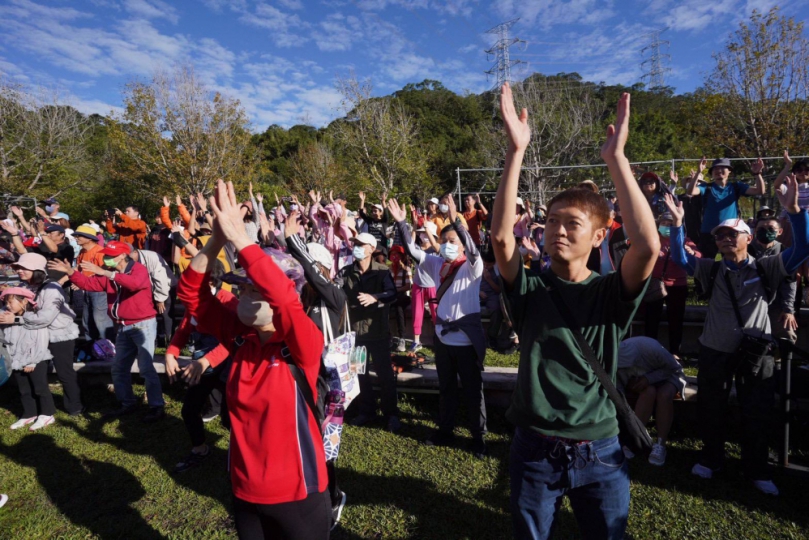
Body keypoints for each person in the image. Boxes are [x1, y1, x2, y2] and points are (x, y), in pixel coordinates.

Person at [492, 84, 658, 539]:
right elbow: (502, 240)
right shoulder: (529, 288)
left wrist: (616, 159)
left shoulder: (610, 293)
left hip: (601, 450)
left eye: (572, 224)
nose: (557, 231)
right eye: (551, 221)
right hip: (534, 449)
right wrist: (515, 151)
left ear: (599, 236)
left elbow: (647, 246)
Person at [177, 180, 331, 540]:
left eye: (253, 289)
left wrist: (241, 239)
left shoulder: (301, 343)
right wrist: (216, 239)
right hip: (244, 488)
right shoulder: (239, 336)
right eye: (242, 288)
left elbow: (283, 297)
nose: (244, 296)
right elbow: (190, 293)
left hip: (298, 490)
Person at [664, 171, 809, 497]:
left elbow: (803, 249)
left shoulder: (767, 266)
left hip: (756, 352)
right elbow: (679, 257)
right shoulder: (711, 268)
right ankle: (711, 459)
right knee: (711, 407)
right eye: (720, 236)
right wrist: (677, 225)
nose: (725, 239)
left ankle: (757, 469)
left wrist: (796, 213)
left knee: (757, 410)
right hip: (715, 350)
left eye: (733, 234)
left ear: (748, 237)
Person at [390, 194, 488, 458]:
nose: (447, 245)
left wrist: (456, 220)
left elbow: (473, 247)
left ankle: (478, 437)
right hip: (443, 339)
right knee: (446, 388)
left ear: (463, 244)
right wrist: (401, 224)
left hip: (466, 341)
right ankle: (445, 430)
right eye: (444, 241)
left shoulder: (473, 266)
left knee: (473, 391)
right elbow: (413, 251)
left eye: (452, 241)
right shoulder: (436, 264)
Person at [50, 240, 165, 423]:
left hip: (142, 325)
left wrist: (107, 273)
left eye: (111, 255)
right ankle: (127, 403)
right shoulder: (110, 273)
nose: (106, 258)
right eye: (106, 255)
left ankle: (156, 406)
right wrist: (71, 272)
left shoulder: (138, 270)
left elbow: (135, 284)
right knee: (119, 368)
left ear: (123, 256)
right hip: (123, 326)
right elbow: (89, 283)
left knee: (146, 368)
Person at [284, 211, 349, 529]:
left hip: (331, 381)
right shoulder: (303, 300)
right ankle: (308, 487)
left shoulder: (334, 295)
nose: (302, 276)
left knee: (326, 444)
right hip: (304, 376)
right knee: (304, 435)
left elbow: (310, 268)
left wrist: (292, 240)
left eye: (307, 271)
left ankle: (333, 497)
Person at [166, 260, 235, 474]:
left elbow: (232, 340)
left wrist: (206, 361)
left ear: (211, 282)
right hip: (203, 363)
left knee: (231, 418)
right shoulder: (194, 302)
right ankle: (200, 449)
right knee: (189, 410)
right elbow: (183, 329)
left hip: (227, 364)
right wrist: (170, 353)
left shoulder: (228, 301)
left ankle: (241, 457)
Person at [1, 253, 83, 416]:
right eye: (18, 268)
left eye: (24, 268)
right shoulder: (24, 287)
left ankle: (75, 406)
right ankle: (39, 410)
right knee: (34, 374)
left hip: (58, 335)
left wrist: (16, 319)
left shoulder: (53, 288)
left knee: (64, 373)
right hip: (35, 335)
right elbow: (12, 307)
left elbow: (45, 318)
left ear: (36, 270)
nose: (19, 271)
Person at [337, 232, 400, 432]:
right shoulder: (346, 272)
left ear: (372, 249)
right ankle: (366, 411)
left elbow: (392, 294)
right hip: (356, 334)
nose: (356, 248)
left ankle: (391, 413)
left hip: (378, 332)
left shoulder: (382, 271)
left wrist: (376, 297)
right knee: (359, 373)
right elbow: (335, 291)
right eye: (355, 244)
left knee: (385, 375)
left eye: (361, 245)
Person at [617, 337, 686, 466]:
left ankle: (661, 444)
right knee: (649, 392)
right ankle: (636, 438)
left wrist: (648, 378)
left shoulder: (649, 347)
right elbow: (618, 387)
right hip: (643, 379)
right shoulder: (617, 359)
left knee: (664, 395)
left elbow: (673, 367)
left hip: (670, 374)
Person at [643, 212, 699, 357]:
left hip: (677, 285)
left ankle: (675, 351)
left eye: (671, 224)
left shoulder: (684, 240)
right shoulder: (653, 239)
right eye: (664, 223)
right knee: (651, 319)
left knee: (676, 320)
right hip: (655, 285)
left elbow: (698, 255)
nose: (667, 227)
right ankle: (649, 351)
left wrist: (692, 252)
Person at [685, 157, 765, 259]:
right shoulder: (707, 187)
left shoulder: (736, 187)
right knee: (706, 263)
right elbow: (690, 191)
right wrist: (698, 172)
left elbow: (760, 191)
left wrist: (757, 174)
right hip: (708, 233)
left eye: (722, 168)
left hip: (730, 233)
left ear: (729, 171)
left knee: (732, 261)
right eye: (715, 169)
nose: (718, 170)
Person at [1, 287, 57, 432]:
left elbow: (41, 342)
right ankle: (29, 413)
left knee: (40, 388)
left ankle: (47, 414)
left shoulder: (34, 318)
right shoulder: (7, 317)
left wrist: (33, 361)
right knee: (24, 389)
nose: (8, 305)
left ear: (24, 301)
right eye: (6, 302)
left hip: (36, 359)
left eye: (11, 302)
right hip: (16, 359)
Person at [748, 216, 798, 342]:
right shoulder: (746, 250)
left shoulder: (785, 252)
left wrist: (788, 310)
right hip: (749, 304)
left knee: (787, 335)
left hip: (776, 305)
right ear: (755, 231)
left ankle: (782, 355)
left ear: (779, 231)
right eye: (761, 229)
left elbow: (790, 282)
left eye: (771, 229)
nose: (766, 232)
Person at [72, 225, 116, 343]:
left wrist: (82, 281)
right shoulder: (82, 251)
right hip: (87, 289)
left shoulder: (100, 252)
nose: (76, 238)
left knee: (101, 322)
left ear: (89, 238)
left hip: (99, 291)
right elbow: (78, 268)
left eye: (79, 236)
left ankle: (109, 347)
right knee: (87, 321)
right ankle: (91, 347)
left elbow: (104, 273)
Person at [389, 245, 412, 352]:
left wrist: (396, 290)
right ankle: (388, 336)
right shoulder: (388, 269)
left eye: (397, 254)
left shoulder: (406, 269)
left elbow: (408, 286)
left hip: (402, 295)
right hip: (391, 295)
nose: (395, 257)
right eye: (393, 254)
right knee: (384, 308)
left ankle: (402, 338)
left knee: (399, 308)